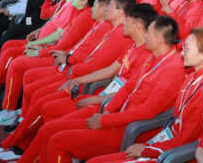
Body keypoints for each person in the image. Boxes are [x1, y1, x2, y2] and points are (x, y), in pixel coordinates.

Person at [22, 16, 186, 163]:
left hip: (131, 129)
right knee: (50, 129)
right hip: (115, 117)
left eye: (149, 33)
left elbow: (148, 111)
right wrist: (108, 109)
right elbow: (128, 87)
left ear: (159, 39)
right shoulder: (154, 57)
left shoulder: (172, 69)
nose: (146, 37)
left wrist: (105, 120)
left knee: (58, 140)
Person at [87, 28, 203, 162]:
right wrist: (148, 146)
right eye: (183, 47)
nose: (182, 52)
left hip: (172, 155)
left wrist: (148, 150)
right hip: (165, 143)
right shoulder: (191, 76)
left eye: (187, 49)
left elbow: (187, 139)